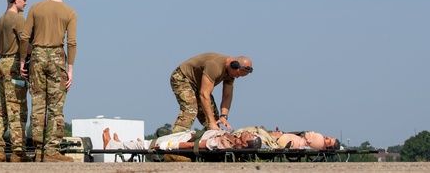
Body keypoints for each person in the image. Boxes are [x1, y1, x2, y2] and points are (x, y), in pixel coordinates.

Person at [19, 0, 76, 162]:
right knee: (55, 106)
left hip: (37, 56)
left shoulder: (35, 8)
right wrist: (70, 70)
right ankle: (51, 151)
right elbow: (72, 42)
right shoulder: (70, 13)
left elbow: (24, 37)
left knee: (38, 104)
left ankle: (38, 151)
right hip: (57, 58)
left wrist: (22, 61)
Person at [0, 0, 30, 163]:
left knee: (1, 110)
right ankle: (18, 152)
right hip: (14, 65)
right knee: (17, 108)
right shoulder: (18, 19)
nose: (26, 3)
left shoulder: (0, 20)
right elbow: (25, 45)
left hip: (2, 64)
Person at [169, 52, 253, 133]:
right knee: (191, 109)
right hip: (182, 78)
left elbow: (227, 96)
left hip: (198, 85)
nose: (237, 77)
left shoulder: (231, 73)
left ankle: (214, 138)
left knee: (213, 117)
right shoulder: (214, 66)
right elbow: (204, 95)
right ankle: (175, 138)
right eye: (237, 74)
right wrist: (211, 122)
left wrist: (223, 116)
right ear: (233, 65)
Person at [102, 127, 262, 151]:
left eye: (250, 136)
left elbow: (196, 145)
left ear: (245, 143)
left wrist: (169, 145)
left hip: (187, 139)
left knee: (151, 144)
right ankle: (119, 144)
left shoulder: (222, 144)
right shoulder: (232, 138)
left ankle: (111, 145)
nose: (249, 132)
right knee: (149, 143)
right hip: (190, 135)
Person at [271, 129, 340, 150]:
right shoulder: (320, 146)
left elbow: (307, 135)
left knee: (279, 135)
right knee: (280, 134)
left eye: (329, 141)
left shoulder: (320, 139)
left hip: (295, 142)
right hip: (297, 141)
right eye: (331, 137)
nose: (328, 137)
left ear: (328, 146)